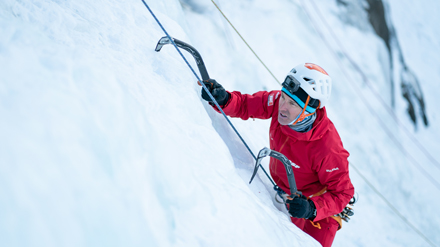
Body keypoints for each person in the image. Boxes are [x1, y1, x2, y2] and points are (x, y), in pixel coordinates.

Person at [200, 63, 355, 247]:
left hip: (320, 214)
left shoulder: (327, 148)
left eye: (292, 104)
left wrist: (311, 209)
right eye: (283, 96)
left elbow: (343, 192)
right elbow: (245, 105)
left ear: (309, 110)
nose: (282, 106)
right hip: (290, 195)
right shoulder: (278, 103)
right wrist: (223, 99)